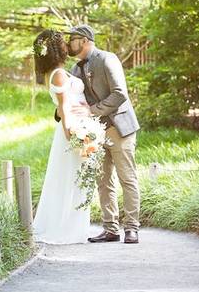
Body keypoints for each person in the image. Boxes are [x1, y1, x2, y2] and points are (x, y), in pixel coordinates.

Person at [66, 24, 141, 244]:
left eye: (74, 38)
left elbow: (120, 94)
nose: (70, 42)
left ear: (86, 40)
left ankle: (132, 228)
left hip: (119, 128)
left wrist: (92, 111)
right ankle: (110, 229)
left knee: (127, 178)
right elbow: (75, 98)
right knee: (103, 181)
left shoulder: (108, 59)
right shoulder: (75, 69)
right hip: (95, 133)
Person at [31, 29, 93, 244]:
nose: (68, 45)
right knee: (72, 178)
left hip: (79, 125)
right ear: (58, 49)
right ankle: (66, 228)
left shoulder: (57, 72)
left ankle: (73, 227)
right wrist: (72, 137)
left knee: (75, 179)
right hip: (72, 130)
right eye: (64, 43)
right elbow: (64, 108)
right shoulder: (58, 74)